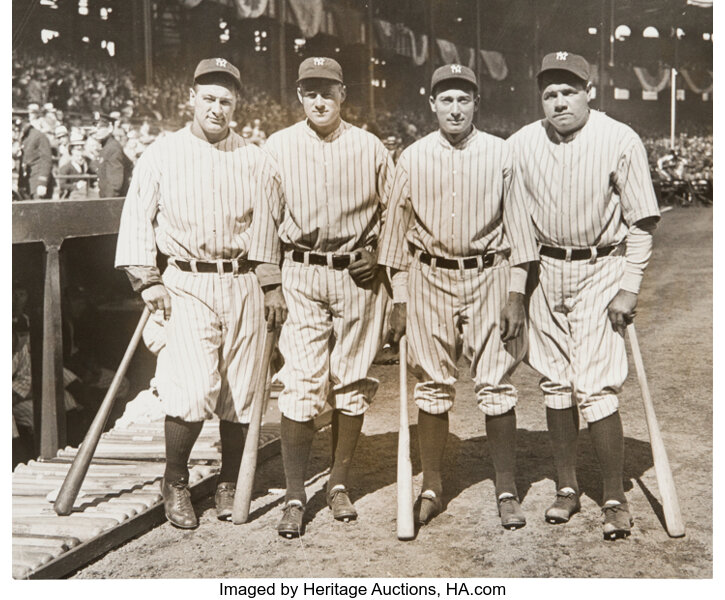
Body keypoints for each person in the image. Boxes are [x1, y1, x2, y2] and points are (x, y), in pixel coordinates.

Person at [508, 52, 660, 540]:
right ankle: (567, 488)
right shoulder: (520, 144)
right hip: (544, 268)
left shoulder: (619, 138)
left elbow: (641, 223)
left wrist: (628, 286)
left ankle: (614, 496)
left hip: (601, 266)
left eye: (569, 91)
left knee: (594, 384)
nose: (559, 101)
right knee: (554, 381)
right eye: (550, 93)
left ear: (589, 91)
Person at [379, 64, 539, 529]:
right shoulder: (410, 157)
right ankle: (432, 484)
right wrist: (400, 298)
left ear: (476, 105)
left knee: (495, 382)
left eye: (463, 100)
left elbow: (520, 233)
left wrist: (516, 294)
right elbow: (394, 239)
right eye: (446, 100)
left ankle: (506, 487)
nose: (454, 108)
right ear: (432, 104)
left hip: (489, 274)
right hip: (429, 276)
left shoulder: (501, 153)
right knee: (432, 384)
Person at [115, 58, 268, 529]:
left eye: (226, 100)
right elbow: (138, 218)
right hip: (187, 280)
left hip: (243, 279)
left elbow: (267, 227)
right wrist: (148, 278)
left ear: (236, 104)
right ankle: (175, 481)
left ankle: (227, 481)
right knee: (192, 385)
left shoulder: (255, 156)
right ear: (191, 98)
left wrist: (270, 283)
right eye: (209, 98)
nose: (217, 108)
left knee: (240, 388)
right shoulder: (161, 154)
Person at [248, 56, 394, 538]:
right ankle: (295, 494)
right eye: (310, 91)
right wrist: (271, 283)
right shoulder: (279, 146)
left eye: (327, 91)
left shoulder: (371, 147)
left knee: (351, 380)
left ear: (342, 94)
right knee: (302, 382)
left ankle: (337, 483)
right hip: (301, 272)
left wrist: (379, 252)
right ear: (299, 96)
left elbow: (396, 213)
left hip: (357, 275)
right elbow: (264, 220)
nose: (319, 100)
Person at [93, 111, 133, 198]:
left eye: (99, 128)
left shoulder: (113, 148)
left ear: (110, 128)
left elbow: (115, 184)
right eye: (95, 127)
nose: (96, 131)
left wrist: (108, 204)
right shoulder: (106, 146)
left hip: (112, 201)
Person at [18, 104, 53, 199]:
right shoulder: (23, 138)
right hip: (26, 185)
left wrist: (42, 182)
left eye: (20, 125)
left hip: (37, 184)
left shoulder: (39, 136)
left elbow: (46, 160)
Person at [58, 133, 90, 199]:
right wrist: (75, 186)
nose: (80, 157)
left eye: (81, 149)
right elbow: (62, 185)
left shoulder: (85, 165)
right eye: (77, 150)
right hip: (70, 197)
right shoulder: (66, 167)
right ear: (72, 151)